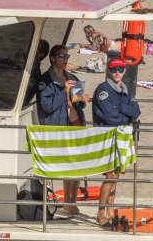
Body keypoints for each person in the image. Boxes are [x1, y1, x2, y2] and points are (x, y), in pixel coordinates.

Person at [36, 45, 89, 216]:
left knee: (77, 164)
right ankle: (67, 202)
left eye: (67, 56)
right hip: (58, 125)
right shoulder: (46, 80)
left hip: (75, 123)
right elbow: (47, 106)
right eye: (62, 56)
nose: (66, 59)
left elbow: (80, 104)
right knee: (65, 164)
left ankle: (70, 202)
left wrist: (81, 98)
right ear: (52, 58)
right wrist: (64, 93)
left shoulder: (72, 77)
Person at [92, 58, 141, 226]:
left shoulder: (125, 89)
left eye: (120, 69)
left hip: (120, 138)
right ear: (108, 71)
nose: (117, 72)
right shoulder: (103, 90)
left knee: (115, 177)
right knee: (110, 176)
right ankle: (100, 212)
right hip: (107, 138)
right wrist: (126, 114)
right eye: (114, 69)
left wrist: (122, 110)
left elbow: (136, 111)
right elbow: (110, 117)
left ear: (125, 70)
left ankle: (110, 211)